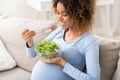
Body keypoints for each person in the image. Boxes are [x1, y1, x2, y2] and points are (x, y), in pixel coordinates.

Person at [22, 0, 100, 80]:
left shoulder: (89, 42)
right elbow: (33, 54)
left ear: (79, 15)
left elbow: (94, 79)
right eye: (58, 13)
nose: (59, 18)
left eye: (65, 14)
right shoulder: (60, 31)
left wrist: (61, 62)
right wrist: (30, 41)